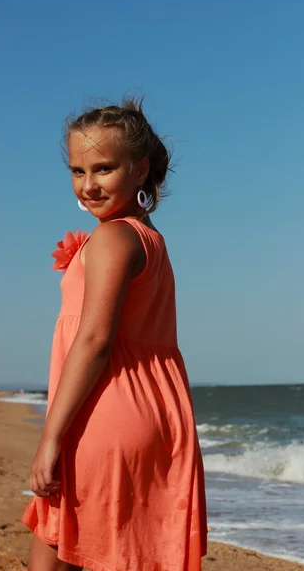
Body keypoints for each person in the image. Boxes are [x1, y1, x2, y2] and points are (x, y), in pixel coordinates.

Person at [23, 97, 207, 571]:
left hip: (106, 415)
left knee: (55, 556)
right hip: (156, 412)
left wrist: (51, 437)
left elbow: (94, 341)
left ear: (140, 169)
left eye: (103, 168)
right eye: (77, 171)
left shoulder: (111, 238)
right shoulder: (150, 239)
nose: (88, 186)